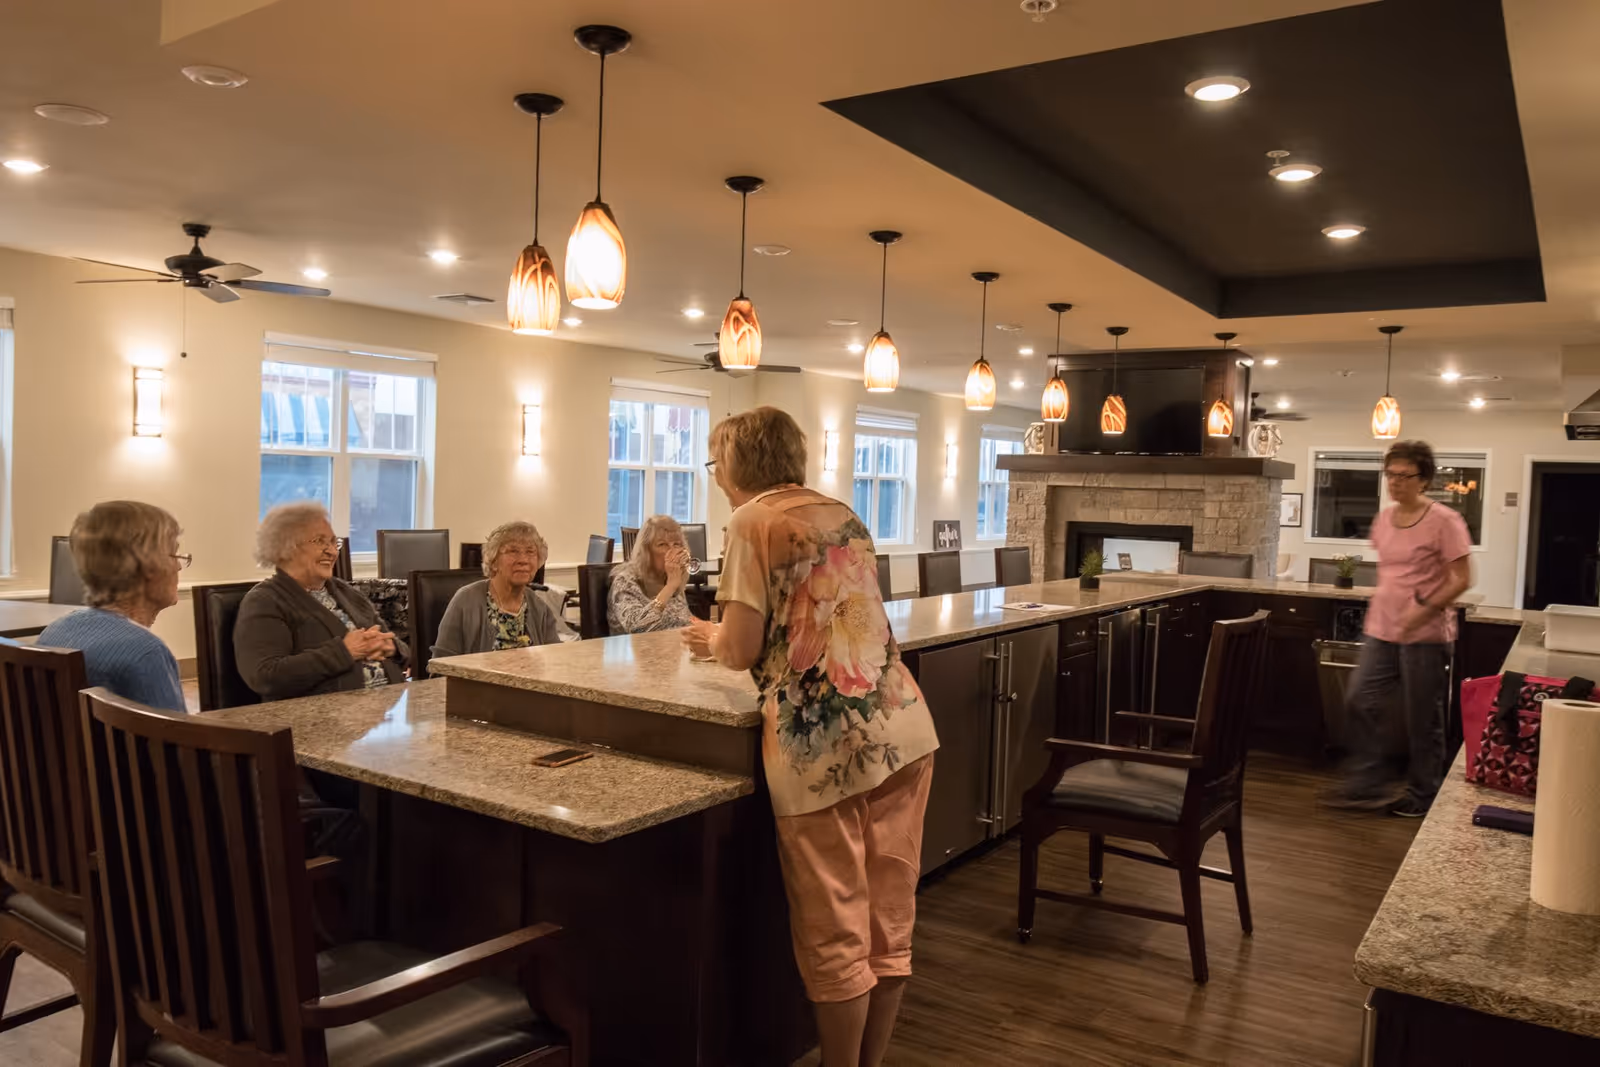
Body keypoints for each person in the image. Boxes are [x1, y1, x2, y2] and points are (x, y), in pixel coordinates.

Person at [682, 406, 938, 1067]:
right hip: (902, 726)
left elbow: (740, 647)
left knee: (837, 935)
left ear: (735, 464)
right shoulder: (840, 513)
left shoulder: (752, 521)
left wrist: (711, 637)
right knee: (888, 922)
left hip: (823, 748)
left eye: (716, 465)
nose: (716, 479)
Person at [1330, 440, 1474, 818]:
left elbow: (1462, 578)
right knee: (1360, 700)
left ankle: (1423, 794)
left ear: (1424, 479)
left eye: (1405, 476)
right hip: (1381, 630)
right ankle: (1367, 784)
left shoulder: (1445, 521)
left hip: (1425, 635)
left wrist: (1423, 608)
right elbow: (1391, 573)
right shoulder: (1383, 519)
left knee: (1423, 718)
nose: (1395, 483)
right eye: (1390, 475)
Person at [235, 502, 407, 701]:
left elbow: (400, 647)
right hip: (324, 717)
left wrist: (391, 647)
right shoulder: (265, 601)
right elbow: (265, 676)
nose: (332, 552)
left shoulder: (346, 592)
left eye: (334, 543)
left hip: (386, 710)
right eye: (320, 541)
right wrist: (345, 652)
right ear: (286, 547)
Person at [37, 500, 188, 714]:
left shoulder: (54, 631)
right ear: (148, 566)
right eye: (175, 554)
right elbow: (176, 743)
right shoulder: (145, 652)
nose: (179, 565)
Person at [432, 520, 561, 657]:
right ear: (493, 561)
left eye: (530, 552)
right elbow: (442, 665)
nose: (523, 560)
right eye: (513, 551)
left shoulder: (540, 609)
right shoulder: (465, 602)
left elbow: (554, 661)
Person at [608, 514, 696, 634]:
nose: (672, 551)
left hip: (675, 647)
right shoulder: (625, 581)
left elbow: (685, 621)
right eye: (662, 544)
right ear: (647, 551)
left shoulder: (668, 577)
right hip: (639, 650)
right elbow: (637, 628)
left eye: (676, 544)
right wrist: (669, 587)